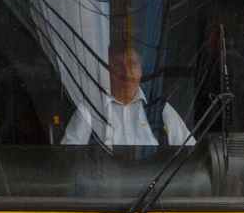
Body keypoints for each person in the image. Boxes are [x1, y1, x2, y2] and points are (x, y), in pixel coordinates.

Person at [63, 45, 193, 146]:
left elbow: (190, 153)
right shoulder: (90, 109)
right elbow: (69, 159)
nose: (127, 71)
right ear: (107, 72)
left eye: (132, 63)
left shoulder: (159, 108)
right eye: (118, 65)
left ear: (140, 69)